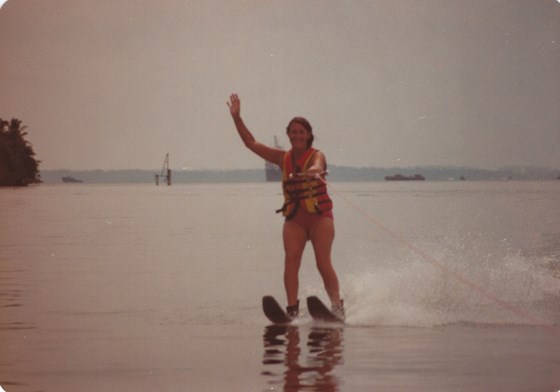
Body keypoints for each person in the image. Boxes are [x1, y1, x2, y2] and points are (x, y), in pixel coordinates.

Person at [227, 93, 344, 320]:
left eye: (301, 132)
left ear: (309, 135)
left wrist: (313, 171)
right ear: (288, 134)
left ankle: (337, 306)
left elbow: (318, 166)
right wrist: (237, 118)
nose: (297, 135)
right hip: (295, 219)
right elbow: (251, 143)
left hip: (320, 218)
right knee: (291, 260)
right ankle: (291, 310)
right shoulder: (282, 158)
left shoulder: (317, 155)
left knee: (322, 262)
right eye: (293, 132)